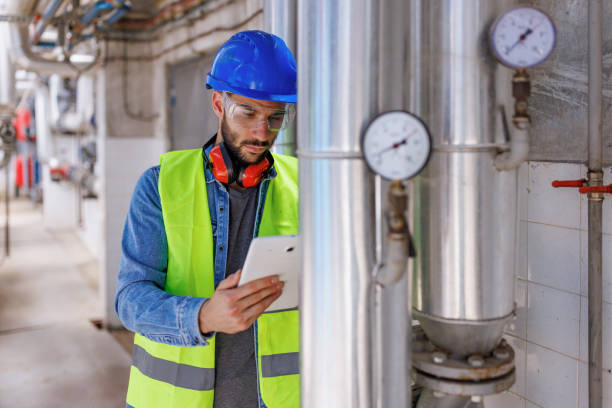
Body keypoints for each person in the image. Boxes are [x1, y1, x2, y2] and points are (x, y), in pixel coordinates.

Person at [115, 30, 299, 408]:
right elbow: (130, 300)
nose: (262, 132)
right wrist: (202, 316)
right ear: (218, 103)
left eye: (275, 117)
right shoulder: (160, 186)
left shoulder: (305, 186)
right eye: (247, 112)